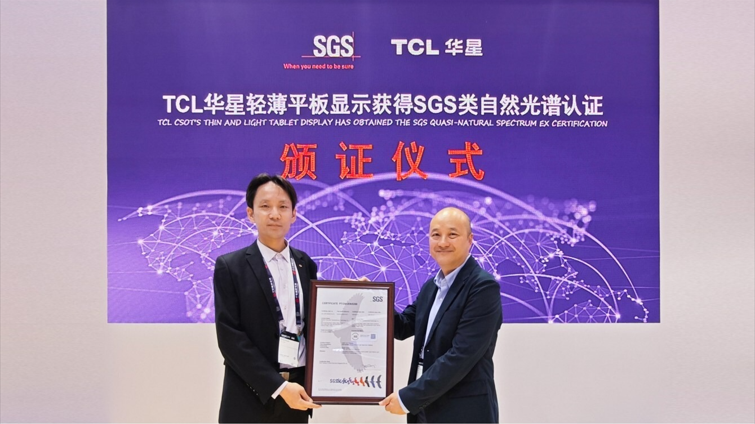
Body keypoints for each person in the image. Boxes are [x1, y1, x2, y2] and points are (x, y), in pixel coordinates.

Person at [213, 174, 321, 423]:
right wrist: (278, 387)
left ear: (294, 214)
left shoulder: (305, 264)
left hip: (297, 394)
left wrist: (348, 295)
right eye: (265, 206)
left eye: (283, 207)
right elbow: (230, 338)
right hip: (249, 395)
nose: (274, 214)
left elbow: (314, 323)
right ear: (251, 214)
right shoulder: (231, 266)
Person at [379, 207, 503, 423]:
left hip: (462, 412)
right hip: (425, 408)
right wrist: (371, 299)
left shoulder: (482, 287)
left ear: (470, 240)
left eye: (452, 234)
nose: (443, 242)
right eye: (436, 235)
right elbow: (403, 326)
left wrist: (408, 398)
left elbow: (461, 355)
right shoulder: (432, 286)